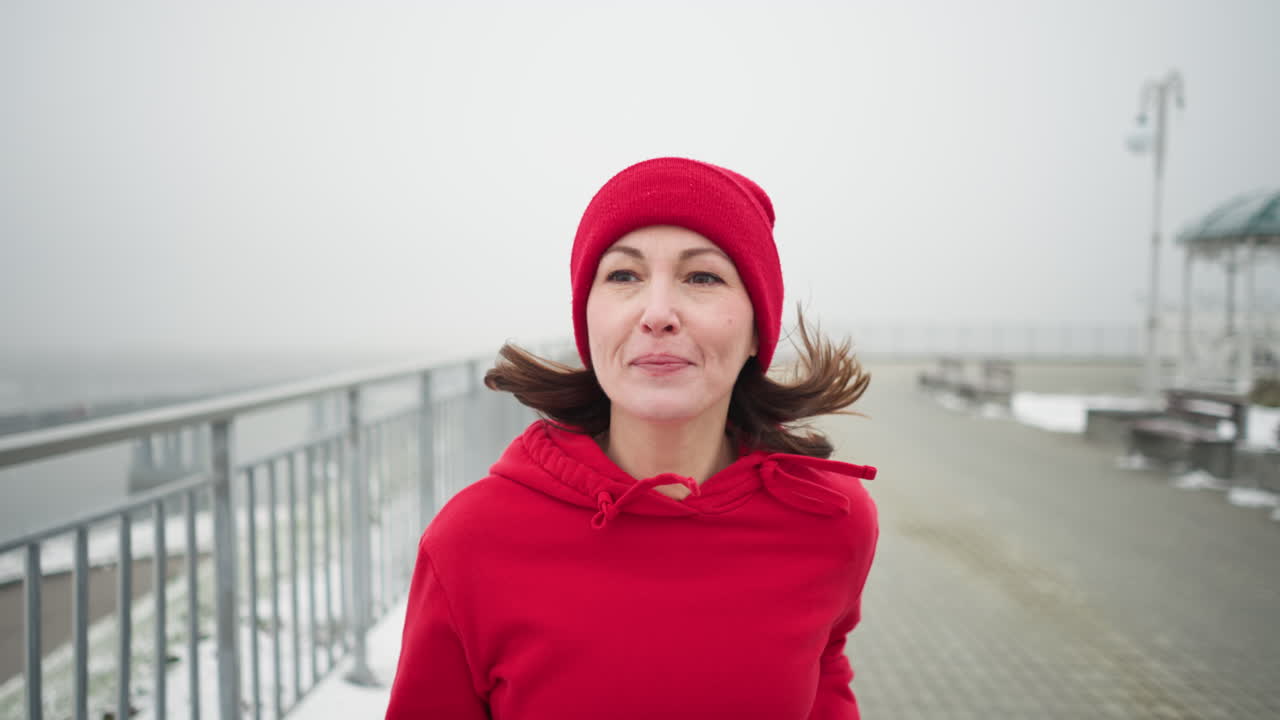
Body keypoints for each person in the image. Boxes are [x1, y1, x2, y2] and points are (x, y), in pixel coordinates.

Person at [384, 157, 879, 719]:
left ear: (756, 330)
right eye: (623, 276)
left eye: (702, 277)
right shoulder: (470, 541)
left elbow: (826, 688)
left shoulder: (830, 519)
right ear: (587, 320)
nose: (658, 313)